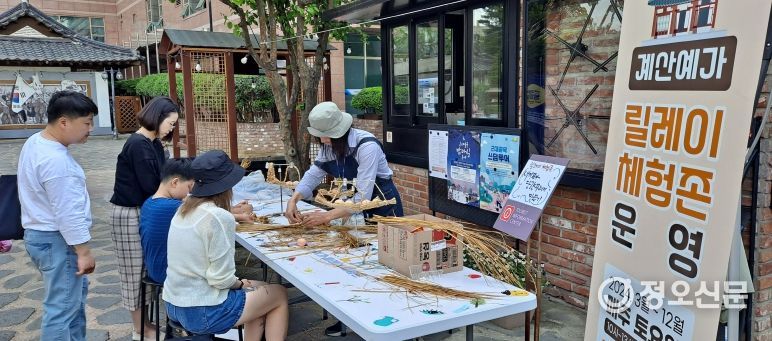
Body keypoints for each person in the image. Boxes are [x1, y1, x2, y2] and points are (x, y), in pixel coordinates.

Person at [284, 101, 404, 336]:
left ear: (339, 132)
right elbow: (313, 174)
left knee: (387, 267)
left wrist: (326, 216)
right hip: (351, 208)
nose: (323, 141)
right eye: (321, 137)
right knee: (353, 266)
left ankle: (393, 324)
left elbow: (363, 198)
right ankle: (350, 319)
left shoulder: (366, 146)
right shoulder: (330, 147)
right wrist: (293, 199)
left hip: (382, 205)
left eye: (326, 137)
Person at [164, 150, 288, 341]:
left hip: (174, 302)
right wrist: (239, 283)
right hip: (202, 310)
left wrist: (241, 284)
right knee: (278, 294)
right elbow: (220, 279)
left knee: (262, 291)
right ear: (226, 185)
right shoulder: (219, 217)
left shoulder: (184, 208)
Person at [17, 90, 97, 340]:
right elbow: (67, 212)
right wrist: (83, 251)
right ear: (64, 122)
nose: (90, 129)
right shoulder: (57, 161)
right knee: (61, 310)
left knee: (68, 304)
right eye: (86, 123)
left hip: (40, 235)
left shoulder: (36, 141)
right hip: (58, 240)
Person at [109, 96, 179, 340]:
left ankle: (147, 323)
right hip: (129, 213)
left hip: (146, 209)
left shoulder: (155, 144)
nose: (172, 129)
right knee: (133, 272)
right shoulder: (138, 144)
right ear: (157, 118)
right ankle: (140, 328)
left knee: (147, 268)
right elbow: (152, 184)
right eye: (170, 123)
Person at [139, 158, 194, 284]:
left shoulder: (149, 202)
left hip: (154, 268)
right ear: (175, 183)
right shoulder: (172, 207)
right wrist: (239, 215)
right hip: (167, 272)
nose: (189, 193)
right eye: (189, 187)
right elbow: (208, 214)